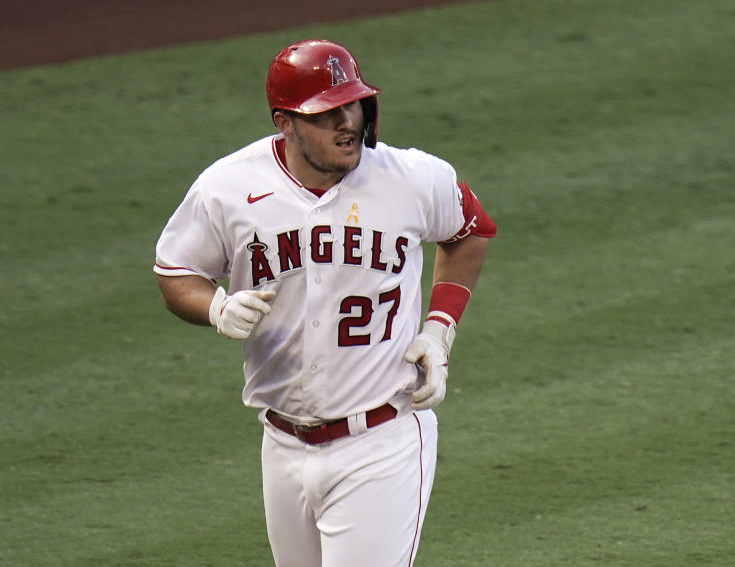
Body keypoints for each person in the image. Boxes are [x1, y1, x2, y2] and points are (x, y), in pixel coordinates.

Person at [153, 39, 496, 566]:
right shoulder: (228, 187)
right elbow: (176, 272)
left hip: (382, 440)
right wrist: (215, 308)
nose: (347, 123)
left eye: (353, 104)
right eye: (327, 113)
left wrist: (439, 329)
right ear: (284, 122)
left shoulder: (411, 178)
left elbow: (471, 231)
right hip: (282, 443)